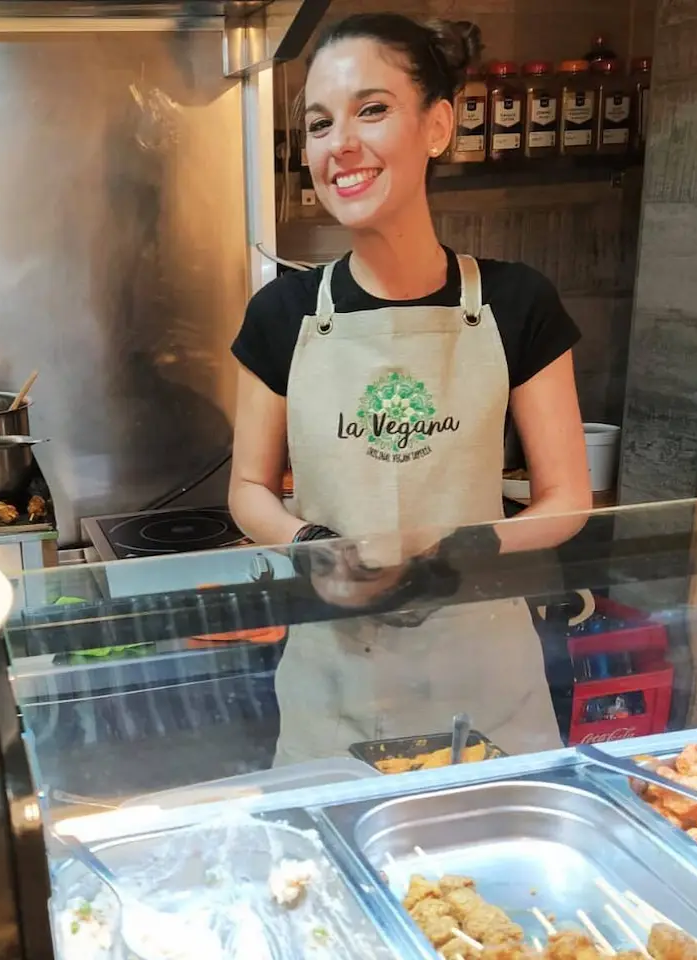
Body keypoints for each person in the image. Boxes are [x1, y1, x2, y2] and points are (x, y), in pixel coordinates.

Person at [227, 13, 593, 764]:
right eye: (320, 123)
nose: (341, 146)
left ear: (437, 126)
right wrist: (312, 547)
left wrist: (465, 546)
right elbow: (246, 488)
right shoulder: (282, 314)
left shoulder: (518, 302)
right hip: (335, 674)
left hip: (485, 673)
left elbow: (567, 500)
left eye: (372, 109)